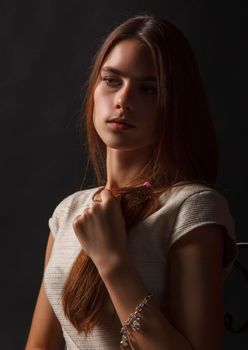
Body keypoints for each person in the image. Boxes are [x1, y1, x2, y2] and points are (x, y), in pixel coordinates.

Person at [25, 14, 238, 350]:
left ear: (174, 104)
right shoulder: (69, 212)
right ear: (94, 89)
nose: (124, 100)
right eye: (112, 80)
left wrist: (112, 260)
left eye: (148, 89)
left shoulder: (192, 208)